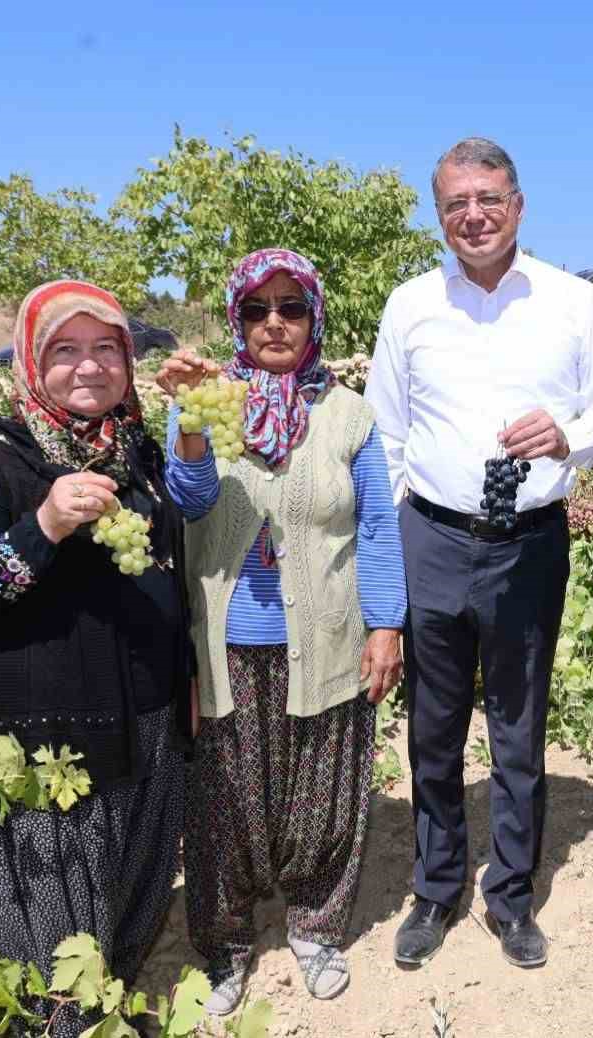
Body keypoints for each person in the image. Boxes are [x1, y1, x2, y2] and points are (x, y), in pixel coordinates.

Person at [366, 137, 593, 969]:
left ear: (517, 204)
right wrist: (417, 515)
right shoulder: (410, 305)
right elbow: (385, 433)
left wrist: (569, 436)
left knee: (518, 730)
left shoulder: (574, 301)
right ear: (440, 215)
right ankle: (437, 887)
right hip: (436, 538)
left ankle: (511, 896)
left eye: (488, 198)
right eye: (456, 204)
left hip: (529, 544)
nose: (473, 215)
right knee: (434, 728)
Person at [0, 280, 191, 1038]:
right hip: (43, 741)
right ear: (31, 362)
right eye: (65, 351)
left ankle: (106, 1016)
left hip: (144, 721)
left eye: (106, 348)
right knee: (50, 934)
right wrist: (42, 525)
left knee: (130, 896)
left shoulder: (135, 449)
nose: (89, 368)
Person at [158, 248, 406, 1013]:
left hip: (327, 637)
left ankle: (315, 926)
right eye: (257, 308)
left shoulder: (350, 414)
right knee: (225, 806)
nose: (274, 322)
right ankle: (227, 947)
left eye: (290, 307)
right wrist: (196, 420)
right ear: (237, 317)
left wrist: (387, 624)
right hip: (227, 645)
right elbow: (191, 501)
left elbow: (375, 526)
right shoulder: (206, 401)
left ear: (314, 319)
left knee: (323, 795)